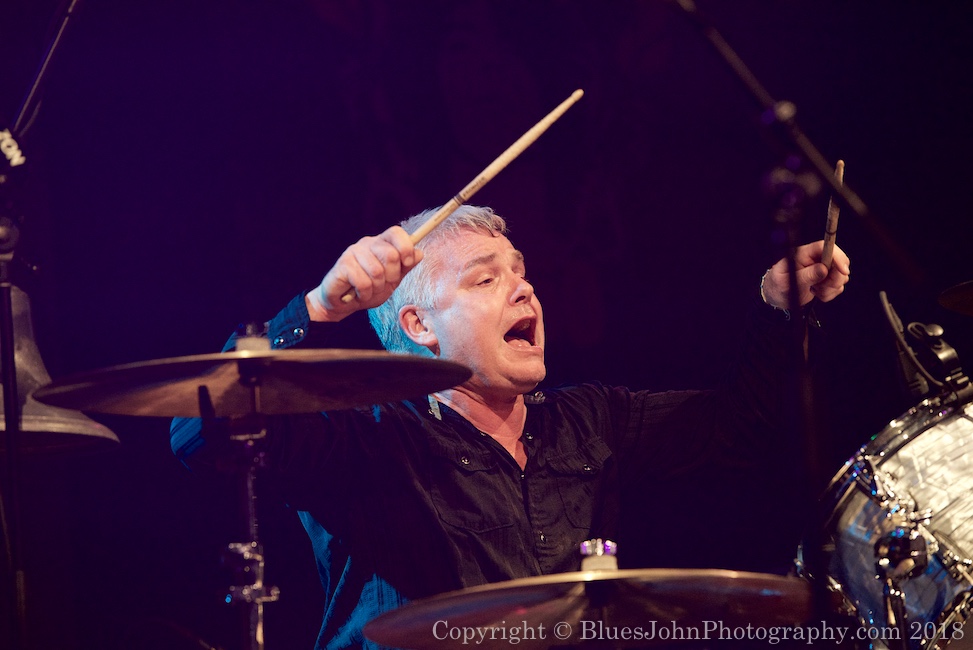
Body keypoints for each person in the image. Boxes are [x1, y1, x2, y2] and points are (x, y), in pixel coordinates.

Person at [171, 204, 850, 649]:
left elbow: (744, 427)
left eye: (520, 274)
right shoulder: (365, 438)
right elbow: (200, 432)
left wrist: (776, 310)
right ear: (418, 327)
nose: (524, 290)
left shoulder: (590, 420)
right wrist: (317, 308)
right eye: (484, 280)